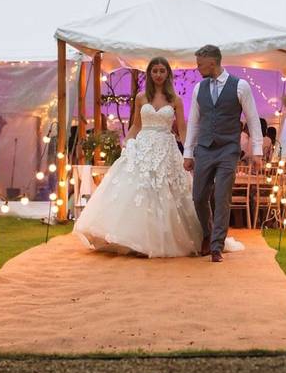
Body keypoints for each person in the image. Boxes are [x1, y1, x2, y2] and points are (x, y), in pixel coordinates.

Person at [74, 56, 205, 257]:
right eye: (155, 71)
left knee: (165, 190)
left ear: (167, 74)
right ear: (150, 74)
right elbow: (136, 124)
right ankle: (135, 240)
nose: (159, 75)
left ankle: (158, 240)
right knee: (139, 190)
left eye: (162, 71)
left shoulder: (175, 100)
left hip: (166, 148)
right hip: (143, 146)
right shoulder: (141, 97)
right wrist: (128, 141)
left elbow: (182, 128)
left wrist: (189, 151)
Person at [184, 44, 262, 262]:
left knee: (221, 196)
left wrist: (257, 151)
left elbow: (253, 119)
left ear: (212, 62)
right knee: (198, 196)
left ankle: (217, 245)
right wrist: (188, 153)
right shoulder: (199, 88)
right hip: (205, 150)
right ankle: (208, 234)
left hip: (228, 149)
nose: (198, 68)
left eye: (200, 64)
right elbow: (194, 122)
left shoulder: (241, 86)